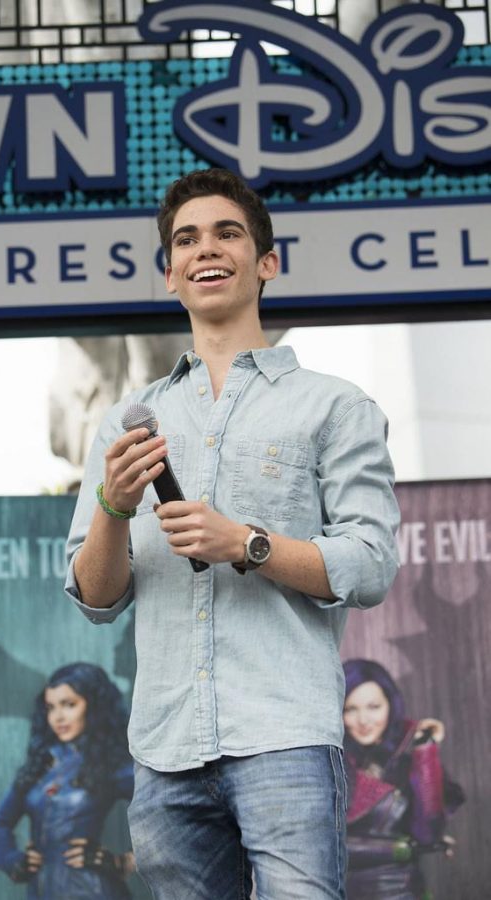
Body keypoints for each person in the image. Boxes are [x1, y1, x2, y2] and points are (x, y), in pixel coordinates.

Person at [65, 167, 401, 900]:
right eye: (185, 239)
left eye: (226, 233)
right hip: (162, 748)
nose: (204, 249)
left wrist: (244, 543)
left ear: (266, 263)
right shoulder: (127, 419)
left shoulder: (334, 407)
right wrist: (113, 508)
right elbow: (94, 598)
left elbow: (371, 564)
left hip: (282, 735)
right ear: (170, 274)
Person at [0, 662, 135, 899]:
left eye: (69, 704)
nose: (58, 717)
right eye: (51, 707)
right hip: (42, 889)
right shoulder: (39, 766)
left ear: (93, 706)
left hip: (93, 890)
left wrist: (123, 862)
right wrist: (12, 860)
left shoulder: (111, 765)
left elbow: (163, 814)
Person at [342, 658, 465, 899]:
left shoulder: (407, 762)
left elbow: (427, 833)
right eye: (350, 709)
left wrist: (424, 750)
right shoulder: (330, 764)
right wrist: (404, 848)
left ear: (391, 705)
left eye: (373, 706)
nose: (364, 720)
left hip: (403, 892)